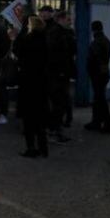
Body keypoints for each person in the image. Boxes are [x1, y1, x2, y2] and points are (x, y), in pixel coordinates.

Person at [14, 15, 49, 158]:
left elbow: (17, 51)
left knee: (28, 119)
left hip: (28, 82)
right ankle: (43, 148)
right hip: (41, 83)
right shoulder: (45, 40)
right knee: (40, 118)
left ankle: (31, 148)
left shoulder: (27, 40)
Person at [45, 9, 74, 143]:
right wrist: (60, 71)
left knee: (59, 103)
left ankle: (54, 129)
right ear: (61, 19)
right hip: (57, 75)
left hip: (58, 74)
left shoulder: (60, 32)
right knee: (59, 103)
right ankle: (55, 131)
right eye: (68, 19)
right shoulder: (57, 33)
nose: (70, 22)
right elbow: (56, 54)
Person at [84, 20, 110, 134]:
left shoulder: (96, 42)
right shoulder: (106, 41)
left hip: (97, 73)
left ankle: (105, 123)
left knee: (100, 99)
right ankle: (99, 122)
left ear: (93, 29)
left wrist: (89, 70)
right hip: (104, 72)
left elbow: (93, 59)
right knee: (99, 98)